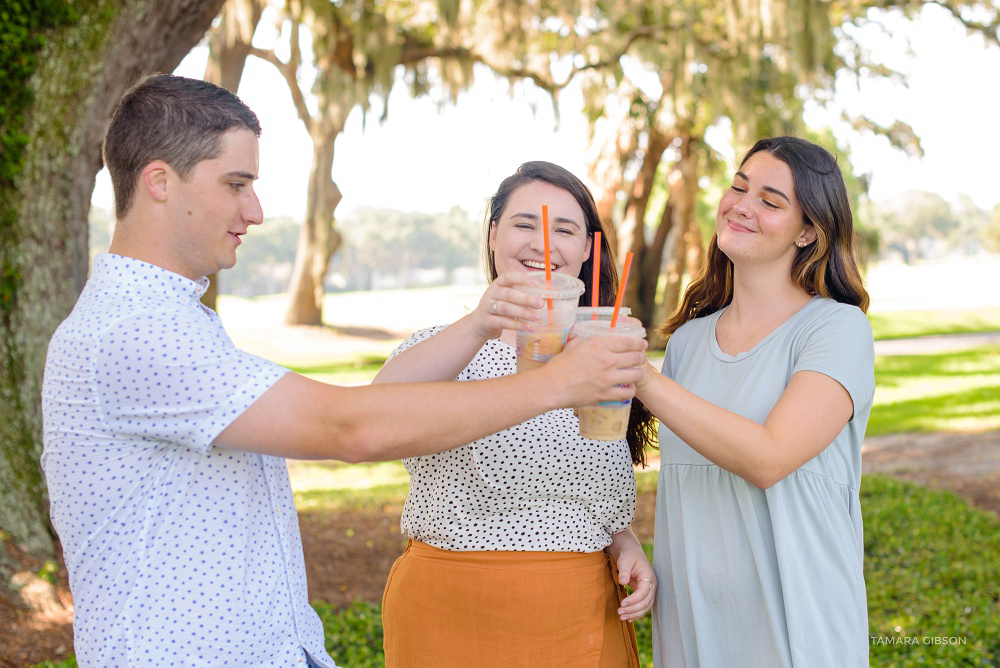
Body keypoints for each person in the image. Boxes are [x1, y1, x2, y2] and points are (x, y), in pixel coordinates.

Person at [40, 75, 648, 668]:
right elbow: (347, 428)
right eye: (235, 183)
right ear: (159, 182)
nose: (254, 210)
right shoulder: (135, 331)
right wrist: (554, 384)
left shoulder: (174, 319)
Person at [373, 161, 659, 667]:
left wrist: (623, 542)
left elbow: (591, 485)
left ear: (588, 249)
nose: (542, 243)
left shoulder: (604, 353)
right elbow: (373, 417)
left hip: (581, 610)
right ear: (492, 236)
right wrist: (480, 322)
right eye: (525, 224)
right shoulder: (445, 349)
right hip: (452, 611)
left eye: (564, 229)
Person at [635, 136, 875, 667]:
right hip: (694, 623)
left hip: (799, 624)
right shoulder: (688, 344)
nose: (741, 206)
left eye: (770, 201)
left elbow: (769, 458)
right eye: (738, 188)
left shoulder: (836, 328)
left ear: (810, 229)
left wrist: (644, 381)